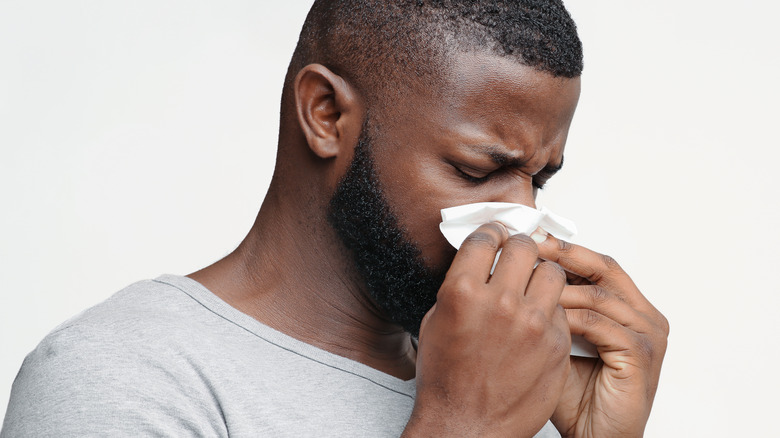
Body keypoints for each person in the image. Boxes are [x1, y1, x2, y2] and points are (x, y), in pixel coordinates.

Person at [1, 0, 669, 436]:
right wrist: (460, 425)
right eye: (475, 170)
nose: (524, 216)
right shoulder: (121, 377)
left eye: (540, 179)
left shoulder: (527, 384)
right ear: (325, 113)